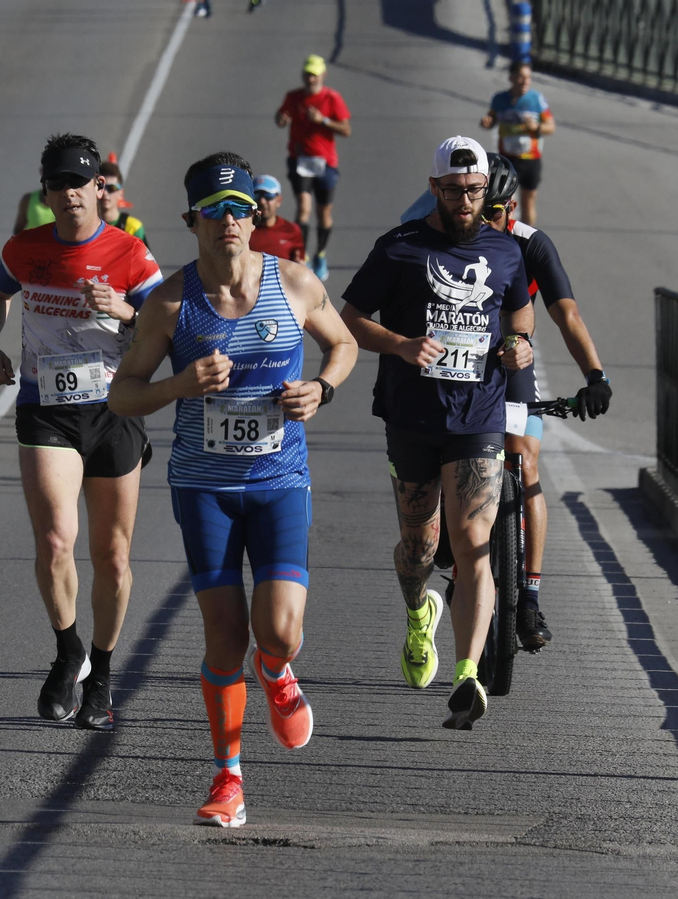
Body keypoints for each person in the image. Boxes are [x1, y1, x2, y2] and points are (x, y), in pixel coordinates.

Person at [108, 153, 357, 827]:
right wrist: (179, 386)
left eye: (239, 210)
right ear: (192, 222)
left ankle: (276, 673)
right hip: (204, 486)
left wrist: (322, 387)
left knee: (275, 632)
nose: (229, 223)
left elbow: (344, 344)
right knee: (224, 635)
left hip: (279, 481)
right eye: (214, 212)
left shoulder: (295, 283)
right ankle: (228, 777)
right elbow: (122, 394)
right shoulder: (169, 302)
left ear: (255, 217)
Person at [338, 137, 533, 730]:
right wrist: (400, 344)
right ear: (435, 190)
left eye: (476, 192)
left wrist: (519, 342)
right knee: (420, 548)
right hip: (413, 416)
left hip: (478, 416)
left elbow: (518, 310)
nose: (468, 201)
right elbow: (347, 321)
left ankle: (467, 671)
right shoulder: (399, 248)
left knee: (475, 543)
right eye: (456, 191)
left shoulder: (505, 252)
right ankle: (420, 609)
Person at [0, 134, 164, 732]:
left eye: (80, 185)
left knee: (112, 557)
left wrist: (124, 309)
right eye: (58, 186)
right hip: (46, 409)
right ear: (48, 193)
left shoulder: (131, 253)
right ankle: (68, 651)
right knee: (57, 541)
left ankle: (103, 674)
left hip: (113, 411)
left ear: (100, 189)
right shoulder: (25, 249)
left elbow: (169, 323)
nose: (70, 196)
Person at [403, 153, 611, 651]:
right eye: (473, 203)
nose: (479, 216)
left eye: (493, 209)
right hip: (451, 366)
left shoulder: (528, 243)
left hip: (507, 362)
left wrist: (595, 375)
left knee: (524, 453)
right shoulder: (432, 230)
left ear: (510, 207)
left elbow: (566, 313)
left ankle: (531, 595)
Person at [276, 54, 351, 280]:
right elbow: (280, 118)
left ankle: (320, 253)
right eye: (308, 75)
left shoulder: (332, 98)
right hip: (300, 160)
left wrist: (323, 121)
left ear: (323, 75)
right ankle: (302, 255)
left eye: (315, 75)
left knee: (323, 213)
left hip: (325, 163)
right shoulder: (294, 97)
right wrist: (282, 119)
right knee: (303, 209)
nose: (311, 79)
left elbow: (346, 130)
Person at [480, 62, 554, 226]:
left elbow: (550, 127)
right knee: (503, 204)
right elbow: (491, 119)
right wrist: (487, 121)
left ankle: (527, 239)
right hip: (506, 160)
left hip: (530, 160)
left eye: (528, 77)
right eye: (521, 77)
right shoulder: (500, 99)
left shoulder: (536, 100)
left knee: (528, 203)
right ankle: (505, 239)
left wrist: (536, 127)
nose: (525, 81)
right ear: (512, 78)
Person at [248, 174, 305, 264]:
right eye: (257, 196)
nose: (262, 201)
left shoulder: (292, 230)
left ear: (278, 201)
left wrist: (299, 265)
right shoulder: (244, 229)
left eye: (268, 196)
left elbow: (301, 262)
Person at [98, 160, 149, 247]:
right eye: (101, 187)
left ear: (121, 193)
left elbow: (146, 260)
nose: (105, 193)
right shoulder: (86, 227)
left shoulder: (133, 228)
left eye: (111, 188)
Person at [13, 168, 56, 236]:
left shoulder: (67, 201)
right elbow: (18, 230)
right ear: (41, 171)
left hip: (57, 246)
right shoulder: (28, 200)